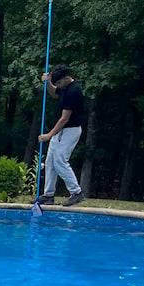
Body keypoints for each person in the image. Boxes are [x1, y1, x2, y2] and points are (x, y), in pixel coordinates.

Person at [37, 65, 86, 206]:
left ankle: (76, 192)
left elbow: (64, 119)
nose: (57, 85)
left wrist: (49, 135)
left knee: (60, 161)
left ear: (66, 78)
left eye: (58, 83)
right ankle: (48, 195)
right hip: (61, 131)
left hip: (70, 130)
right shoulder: (65, 87)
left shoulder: (73, 91)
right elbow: (54, 93)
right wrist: (48, 82)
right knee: (50, 162)